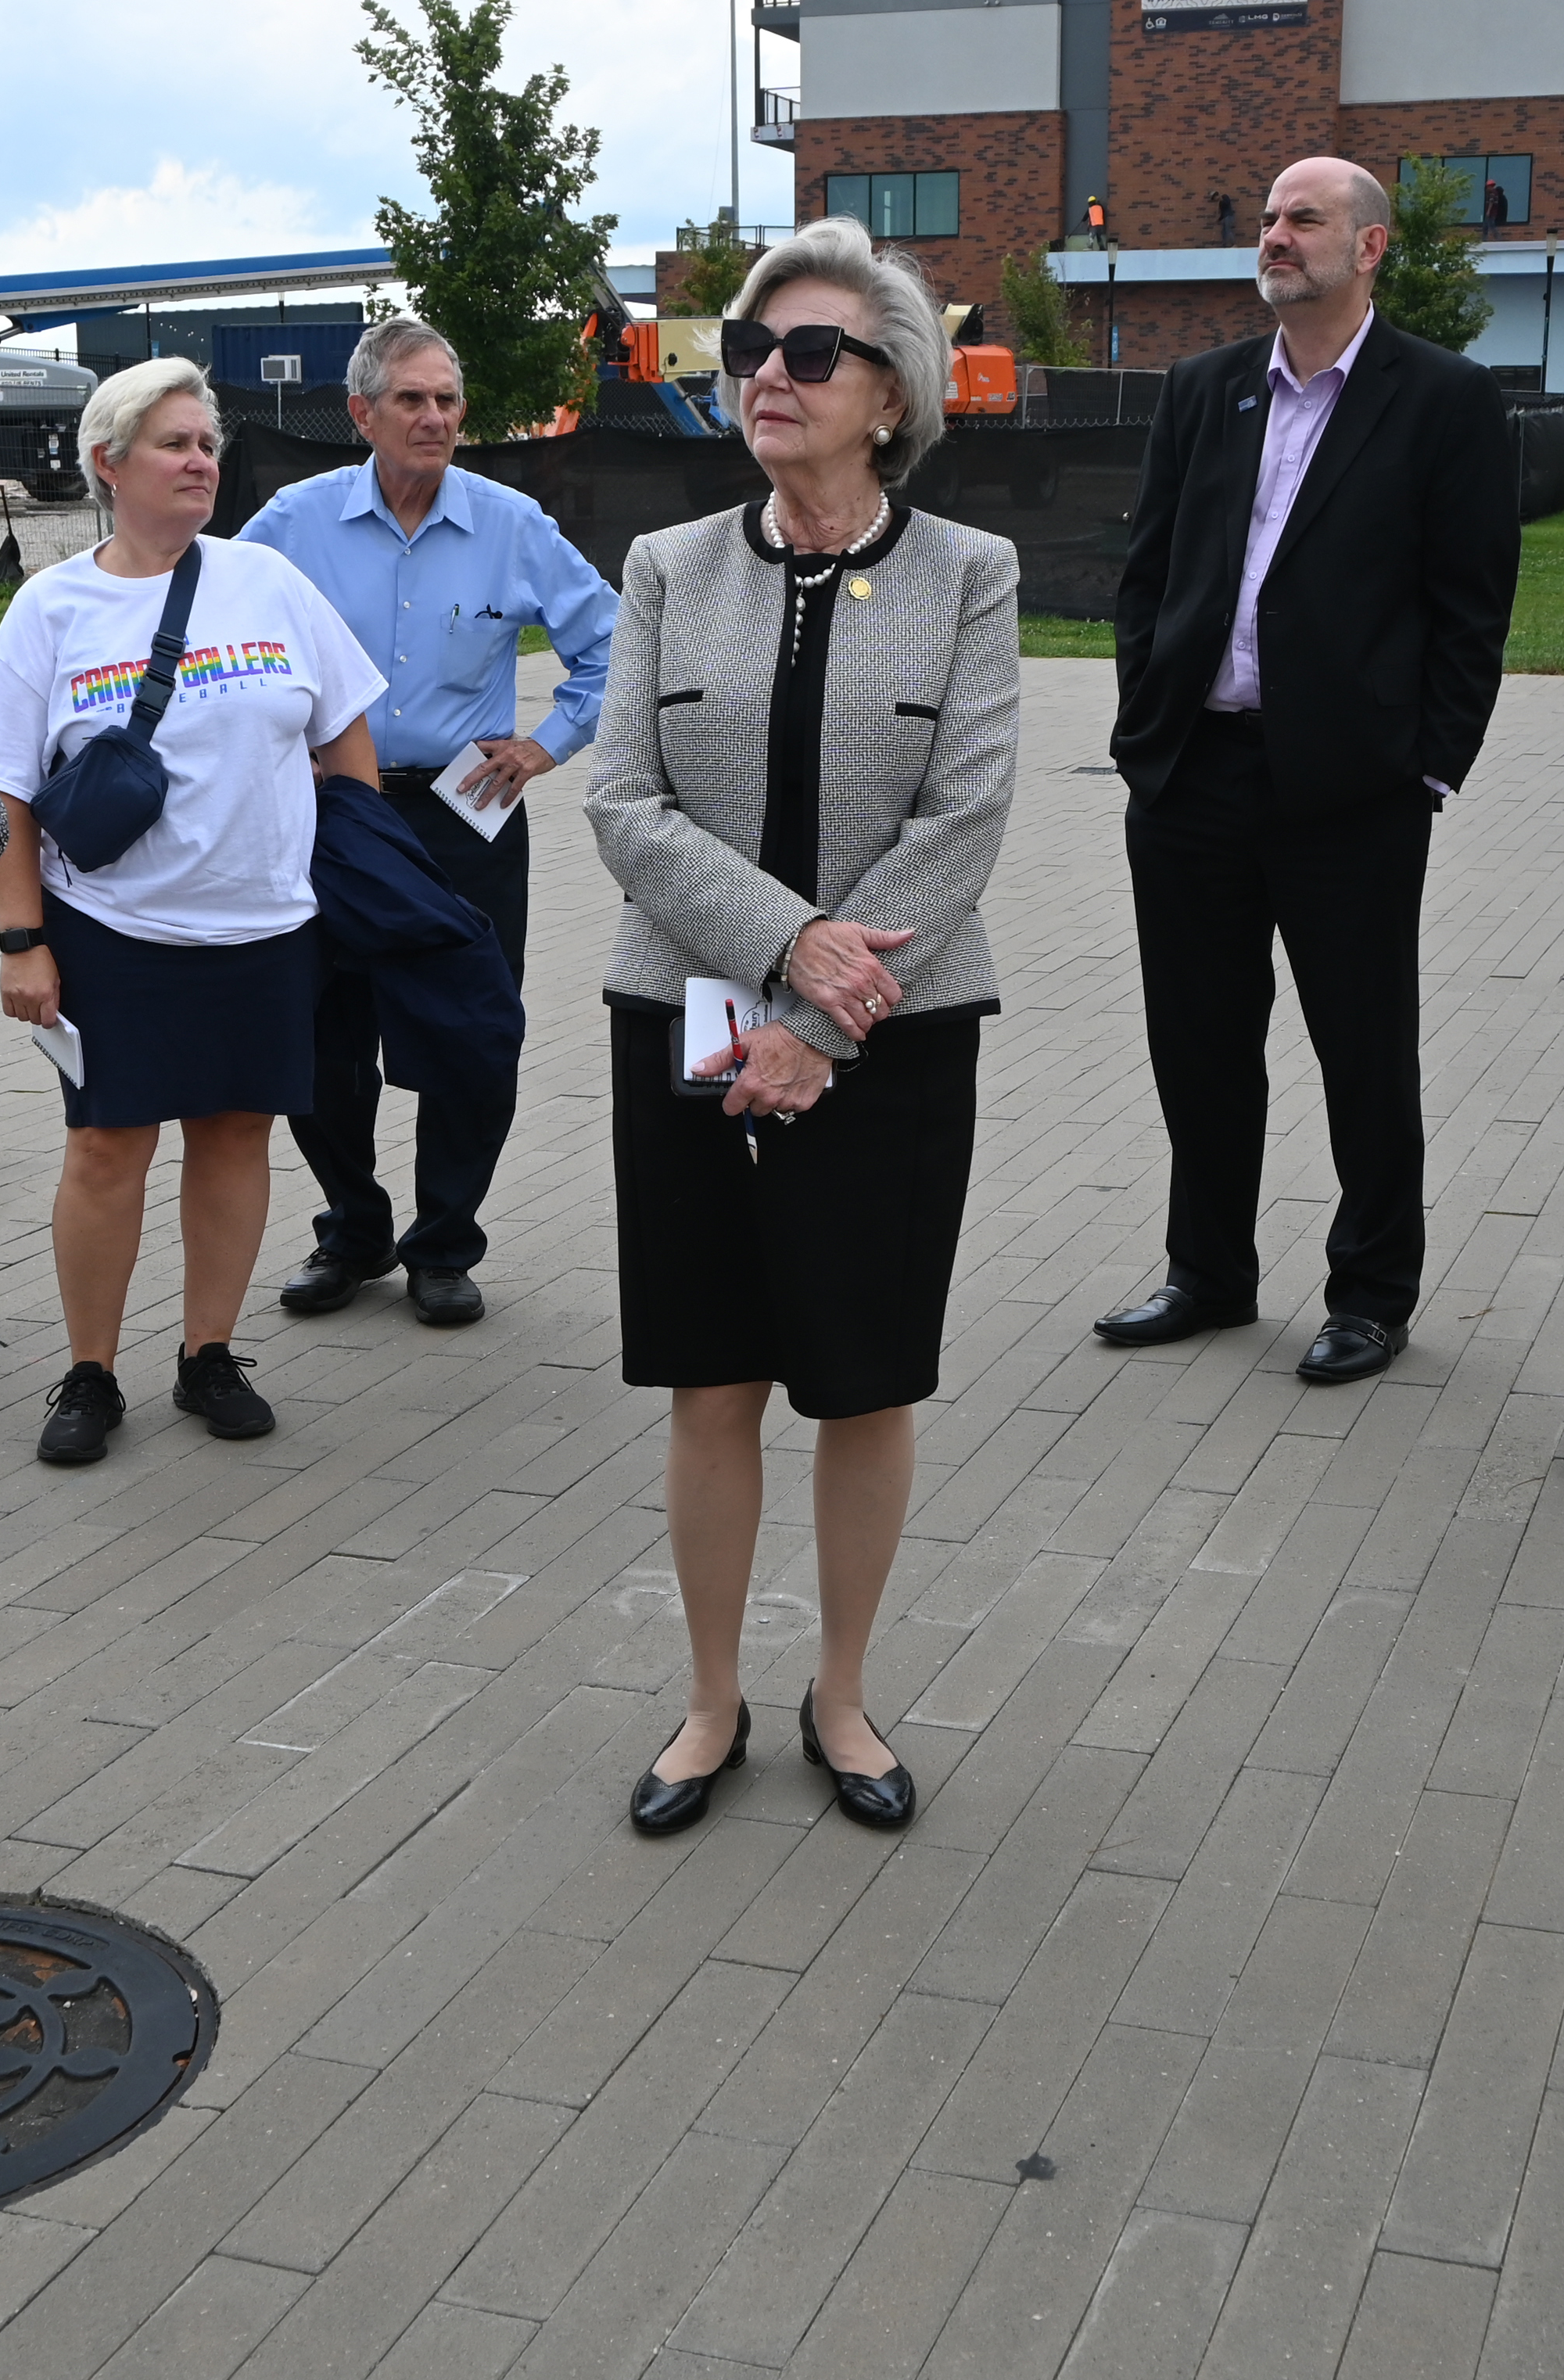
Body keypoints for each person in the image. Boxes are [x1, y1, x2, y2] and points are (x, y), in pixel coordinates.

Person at [586, 219, 1019, 1836]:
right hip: (688, 1021)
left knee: (858, 1382)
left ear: (890, 394)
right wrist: (786, 954)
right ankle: (712, 1699)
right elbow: (622, 802)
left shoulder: (970, 577)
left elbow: (962, 822)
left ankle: (841, 1691)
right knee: (712, 1380)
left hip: (889, 1034)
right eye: (751, 350)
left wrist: (821, 1024)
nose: (769, 373)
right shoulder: (666, 568)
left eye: (812, 352)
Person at [1094, 158, 1519, 1385]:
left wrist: (1427, 773)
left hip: (1352, 794)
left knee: (1362, 1052)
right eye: (1269, 217)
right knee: (1199, 1044)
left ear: (1369, 246)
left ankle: (1371, 1294)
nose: (1275, 236)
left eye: (1304, 220)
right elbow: (1149, 578)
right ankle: (1210, 1274)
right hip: (1192, 781)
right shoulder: (1203, 389)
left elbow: (1469, 612)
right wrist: (1145, 735)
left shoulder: (1442, 400)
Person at [0, 360, 387, 1466]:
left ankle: (209, 1353)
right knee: (107, 1146)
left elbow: (343, 734)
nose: (200, 460)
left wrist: (346, 866)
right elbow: (3, 790)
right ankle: (89, 1372)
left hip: (266, 929)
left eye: (207, 443)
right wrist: (22, 938)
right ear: (108, 464)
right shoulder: (50, 607)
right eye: (174, 443)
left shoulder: (269, 584)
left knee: (237, 1132)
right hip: (110, 929)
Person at [240, 318, 615, 1327]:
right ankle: (353, 1231)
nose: (436, 417)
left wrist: (547, 743)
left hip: (467, 812)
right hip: (333, 814)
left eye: (447, 399)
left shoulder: (512, 524)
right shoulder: (290, 523)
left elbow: (615, 644)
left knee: (472, 1034)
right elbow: (220, 639)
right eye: (411, 398)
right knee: (322, 1040)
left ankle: (445, 1243)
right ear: (362, 413)